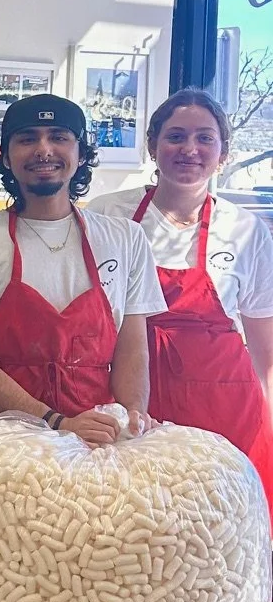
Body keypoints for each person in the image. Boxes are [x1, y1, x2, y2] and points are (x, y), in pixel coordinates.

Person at [0, 94, 160, 440]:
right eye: (27, 139)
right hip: (0, 439)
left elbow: (132, 349)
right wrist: (57, 423)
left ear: (81, 154)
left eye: (58, 137)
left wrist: (133, 418)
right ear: (6, 158)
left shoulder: (126, 239)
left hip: (99, 434)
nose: (43, 150)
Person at [92, 87, 273, 507]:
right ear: (153, 146)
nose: (189, 149)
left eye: (205, 138)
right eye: (175, 136)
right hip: (135, 397)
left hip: (227, 407)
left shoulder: (245, 230)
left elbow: (265, 349)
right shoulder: (108, 215)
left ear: (223, 152)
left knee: (225, 523)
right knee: (138, 520)